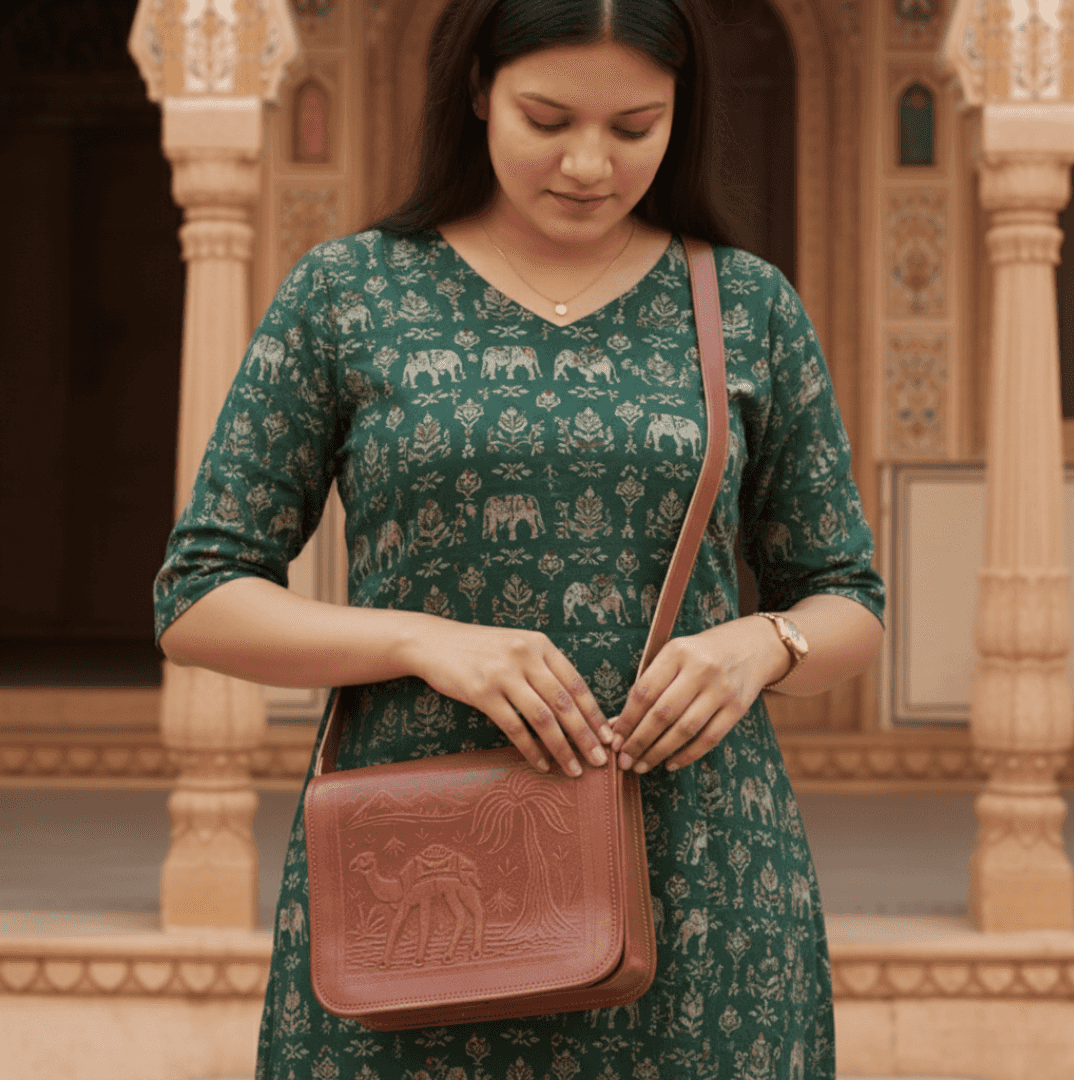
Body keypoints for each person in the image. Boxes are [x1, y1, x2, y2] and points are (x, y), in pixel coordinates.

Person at [153, 0, 886, 1076]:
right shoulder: (348, 295)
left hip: (701, 882)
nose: (590, 162)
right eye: (548, 119)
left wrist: (763, 644)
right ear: (476, 92)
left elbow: (848, 596)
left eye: (635, 128)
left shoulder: (745, 306)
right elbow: (199, 597)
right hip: (423, 867)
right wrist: (423, 641)